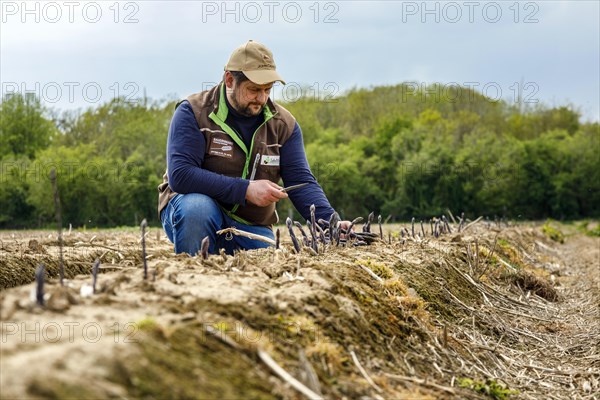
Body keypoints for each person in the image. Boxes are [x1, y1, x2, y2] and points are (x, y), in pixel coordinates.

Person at [158, 40, 343, 255]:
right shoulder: (193, 112)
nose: (262, 99)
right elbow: (181, 175)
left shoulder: (284, 125)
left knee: (271, 261)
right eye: (254, 90)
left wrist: (332, 224)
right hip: (191, 210)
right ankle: (193, 275)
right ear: (229, 80)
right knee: (198, 209)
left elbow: (301, 181)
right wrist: (246, 190)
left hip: (250, 224)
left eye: (267, 90)